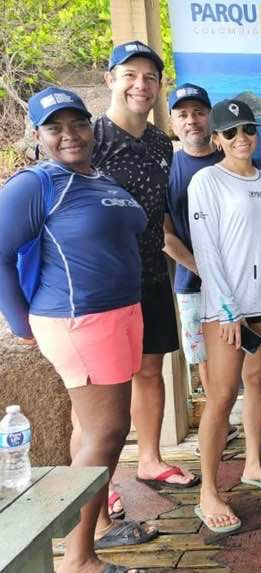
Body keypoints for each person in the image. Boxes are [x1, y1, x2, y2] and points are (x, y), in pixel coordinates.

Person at [0, 87, 155, 573]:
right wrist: (18, 320)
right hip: (79, 318)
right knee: (109, 430)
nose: (69, 135)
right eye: (54, 127)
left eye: (78, 124)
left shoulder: (98, 176)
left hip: (120, 313)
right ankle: (78, 559)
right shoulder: (36, 183)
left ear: (91, 127)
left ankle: (97, 529)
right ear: (38, 135)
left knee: (88, 428)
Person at [91, 42, 196, 521]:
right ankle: (98, 481)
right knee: (101, 388)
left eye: (149, 77)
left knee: (150, 371)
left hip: (151, 275)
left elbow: (162, 222)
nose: (140, 85)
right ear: (110, 78)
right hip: (102, 285)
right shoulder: (87, 139)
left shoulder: (160, 143)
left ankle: (150, 460)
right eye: (130, 75)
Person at [189, 99, 261, 533]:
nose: (241, 138)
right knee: (222, 396)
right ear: (216, 139)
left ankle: (253, 463)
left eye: (247, 129)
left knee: (258, 382)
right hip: (227, 310)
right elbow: (206, 249)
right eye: (229, 132)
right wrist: (227, 308)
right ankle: (208, 491)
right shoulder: (205, 180)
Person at [162, 83, 241, 457]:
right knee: (206, 358)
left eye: (199, 112)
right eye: (183, 114)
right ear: (173, 121)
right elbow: (164, 235)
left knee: (246, 351)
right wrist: (205, 270)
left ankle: (250, 418)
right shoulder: (168, 168)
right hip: (192, 282)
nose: (192, 120)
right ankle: (219, 425)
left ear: (211, 117)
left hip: (243, 282)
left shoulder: (235, 158)